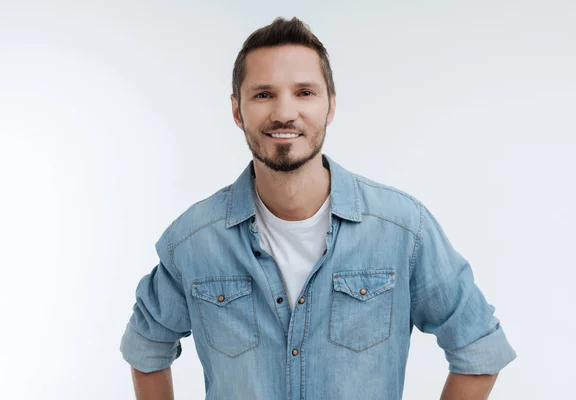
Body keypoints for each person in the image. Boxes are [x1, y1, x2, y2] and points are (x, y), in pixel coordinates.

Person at [119, 16, 517, 400]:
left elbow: (478, 348)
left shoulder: (402, 229)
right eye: (263, 94)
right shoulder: (193, 240)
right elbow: (146, 348)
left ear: (330, 107)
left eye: (304, 92)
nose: (284, 112)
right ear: (237, 111)